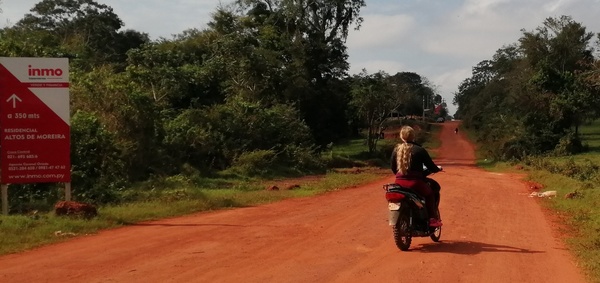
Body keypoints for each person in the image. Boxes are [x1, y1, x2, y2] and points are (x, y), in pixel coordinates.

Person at [391, 126, 443, 227]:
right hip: (416, 183)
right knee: (430, 194)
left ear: (401, 137)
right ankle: (432, 219)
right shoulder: (419, 150)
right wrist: (437, 169)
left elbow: (393, 168)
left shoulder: (396, 150)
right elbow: (431, 166)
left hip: (399, 183)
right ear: (413, 136)